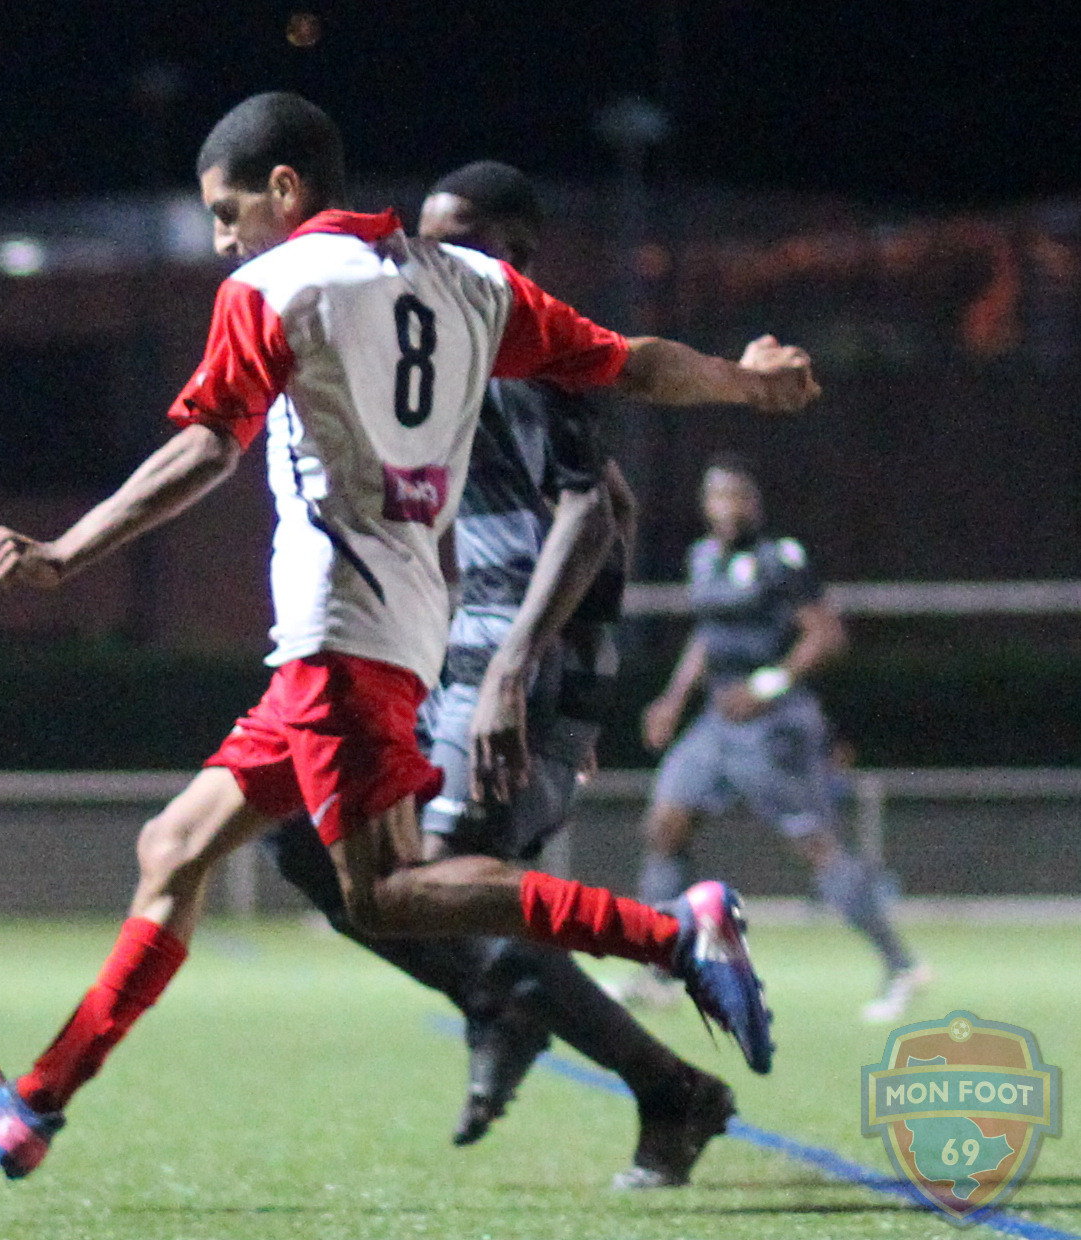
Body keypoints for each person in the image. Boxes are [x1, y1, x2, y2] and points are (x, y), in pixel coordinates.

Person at [0, 92, 816, 1181]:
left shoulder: (272, 285)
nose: (219, 238)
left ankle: (676, 934)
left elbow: (206, 449)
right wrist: (746, 383)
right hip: (379, 633)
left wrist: (66, 553)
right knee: (174, 846)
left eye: (226, 209)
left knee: (385, 891)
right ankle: (31, 1109)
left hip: (343, 629)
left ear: (285, 190)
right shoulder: (468, 283)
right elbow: (634, 362)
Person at [262, 160, 733, 1190]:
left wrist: (538, 673)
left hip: (505, 659)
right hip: (450, 657)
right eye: (430, 235)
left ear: (522, 247)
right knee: (309, 844)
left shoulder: (528, 349)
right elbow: (613, 497)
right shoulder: (448, 346)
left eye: (467, 234)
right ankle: (518, 1012)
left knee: (445, 887)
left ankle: (657, 1073)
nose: (442, 254)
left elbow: (591, 508)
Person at [608, 457, 927, 1023]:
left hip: (774, 724)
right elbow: (707, 635)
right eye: (718, 497)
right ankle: (660, 970)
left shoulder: (781, 559)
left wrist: (768, 683)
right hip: (716, 720)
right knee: (665, 823)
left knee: (815, 846)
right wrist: (673, 699)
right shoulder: (702, 558)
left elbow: (827, 635)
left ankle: (901, 965)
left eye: (739, 497)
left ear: (755, 503)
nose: (728, 508)